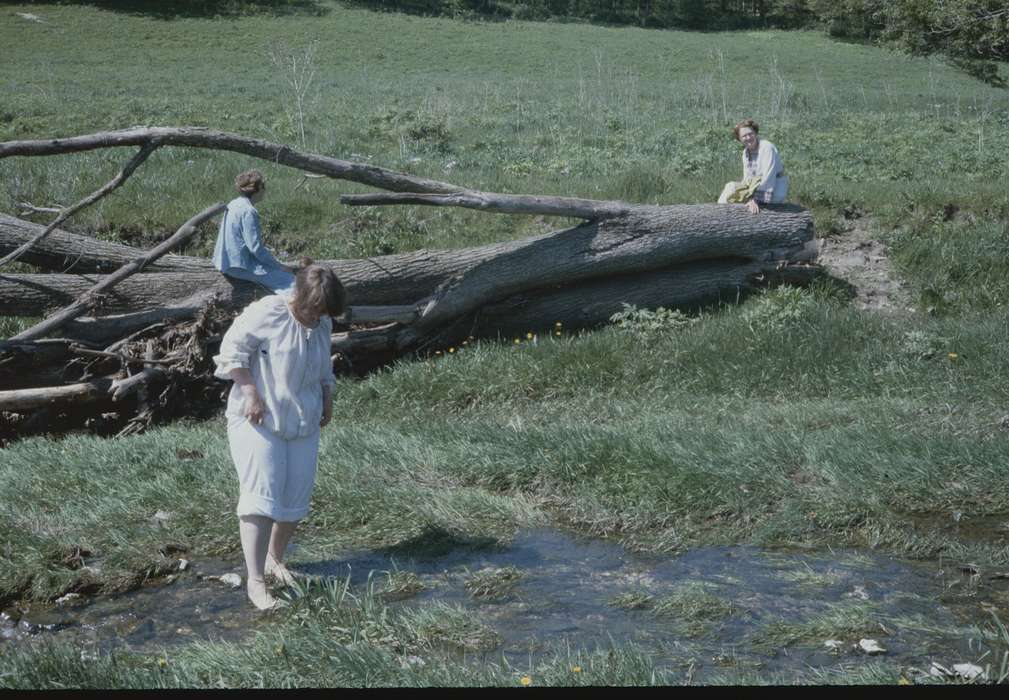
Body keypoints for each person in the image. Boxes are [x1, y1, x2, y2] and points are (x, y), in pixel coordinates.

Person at [213, 259, 347, 610]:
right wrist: (251, 393)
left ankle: (275, 560)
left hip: (303, 418)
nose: (318, 317)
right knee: (262, 496)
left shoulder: (321, 323)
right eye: (314, 309)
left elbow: (322, 364)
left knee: (295, 495)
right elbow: (231, 351)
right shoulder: (269, 311)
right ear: (301, 296)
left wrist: (327, 398)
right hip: (259, 417)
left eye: (324, 312)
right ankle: (255, 582)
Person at [213, 169, 296, 294]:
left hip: (223, 261)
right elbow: (255, 248)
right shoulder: (249, 211)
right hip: (238, 266)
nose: (265, 190)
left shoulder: (233, 203)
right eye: (263, 186)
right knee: (292, 283)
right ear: (257, 189)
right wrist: (280, 266)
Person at [717, 119, 789, 214]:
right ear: (739, 139)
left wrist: (755, 199)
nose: (748, 137)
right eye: (744, 136)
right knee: (730, 186)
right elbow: (747, 178)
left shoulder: (767, 148)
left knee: (743, 200)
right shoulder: (745, 152)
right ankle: (719, 214)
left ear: (755, 133)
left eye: (750, 134)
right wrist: (746, 195)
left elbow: (769, 177)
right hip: (755, 187)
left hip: (774, 188)